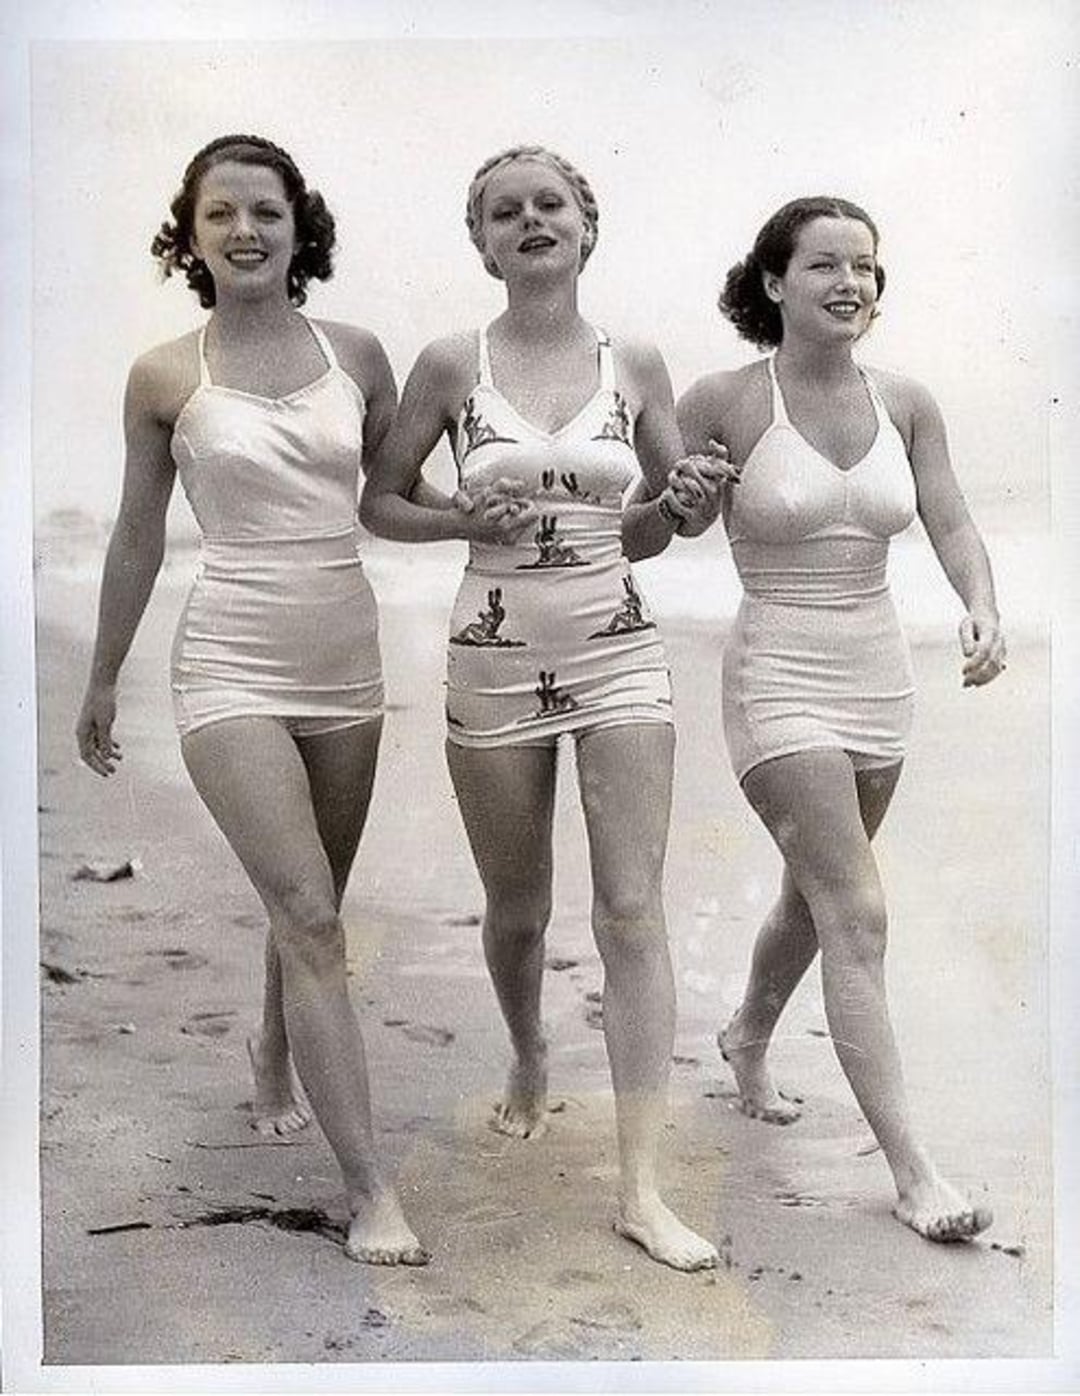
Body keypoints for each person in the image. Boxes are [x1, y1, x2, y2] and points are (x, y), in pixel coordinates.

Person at [359, 145, 731, 1272]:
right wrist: (458, 521)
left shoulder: (636, 362)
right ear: (483, 245)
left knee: (632, 911)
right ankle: (527, 1050)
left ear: (585, 227)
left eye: (550, 204)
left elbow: (659, 528)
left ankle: (642, 1188)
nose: (530, 220)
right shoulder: (449, 362)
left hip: (619, 651)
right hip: (493, 652)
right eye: (504, 211)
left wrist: (690, 498)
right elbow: (380, 500)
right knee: (518, 908)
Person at [75, 134, 428, 1266]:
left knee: (313, 897)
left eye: (266, 211)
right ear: (190, 236)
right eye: (220, 213)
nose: (245, 230)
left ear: (297, 225)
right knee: (311, 916)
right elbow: (139, 534)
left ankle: (275, 1049)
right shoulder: (164, 375)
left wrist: (496, 517)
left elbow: (393, 499)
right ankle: (370, 1189)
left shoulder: (358, 354)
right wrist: (102, 674)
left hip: (346, 662)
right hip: (229, 660)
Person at [675, 196, 1005, 1242]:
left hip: (879, 672)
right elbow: (658, 524)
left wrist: (981, 605)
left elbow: (949, 515)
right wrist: (685, 495)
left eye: (863, 266)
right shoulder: (725, 398)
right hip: (776, 671)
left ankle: (746, 1035)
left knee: (814, 894)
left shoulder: (906, 400)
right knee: (856, 909)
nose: (849, 283)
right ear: (773, 282)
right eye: (823, 265)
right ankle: (915, 1174)